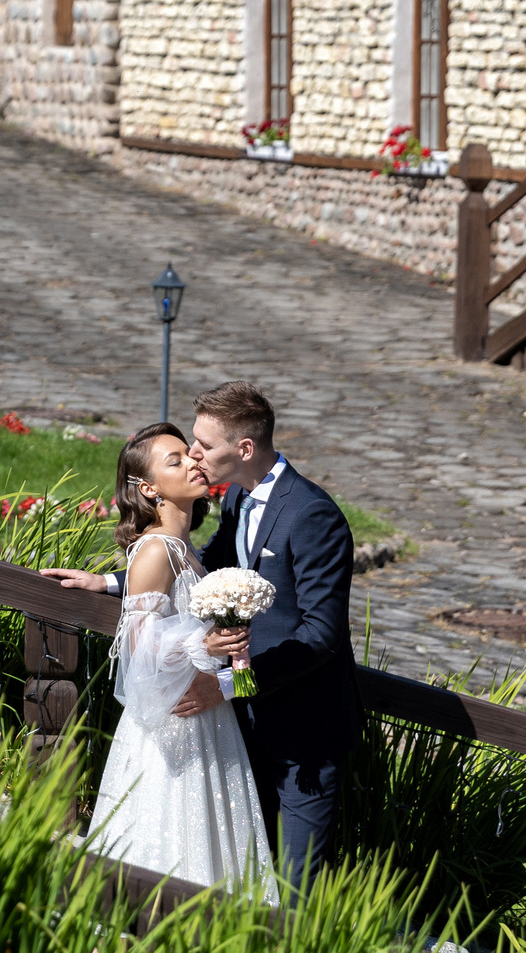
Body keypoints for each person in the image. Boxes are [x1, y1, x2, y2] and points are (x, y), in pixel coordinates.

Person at [46, 382, 357, 893]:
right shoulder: (237, 496)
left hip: (301, 730)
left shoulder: (312, 515)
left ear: (244, 449)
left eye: (204, 445)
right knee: (235, 866)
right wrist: (110, 582)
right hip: (235, 727)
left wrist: (229, 685)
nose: (194, 453)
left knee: (294, 887)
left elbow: (321, 635)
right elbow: (200, 569)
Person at [79, 421, 275, 892]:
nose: (193, 462)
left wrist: (235, 676)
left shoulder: (186, 551)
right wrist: (200, 645)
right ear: (149, 489)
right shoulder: (156, 550)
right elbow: (136, 650)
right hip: (173, 727)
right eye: (176, 460)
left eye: (189, 453)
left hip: (207, 717)